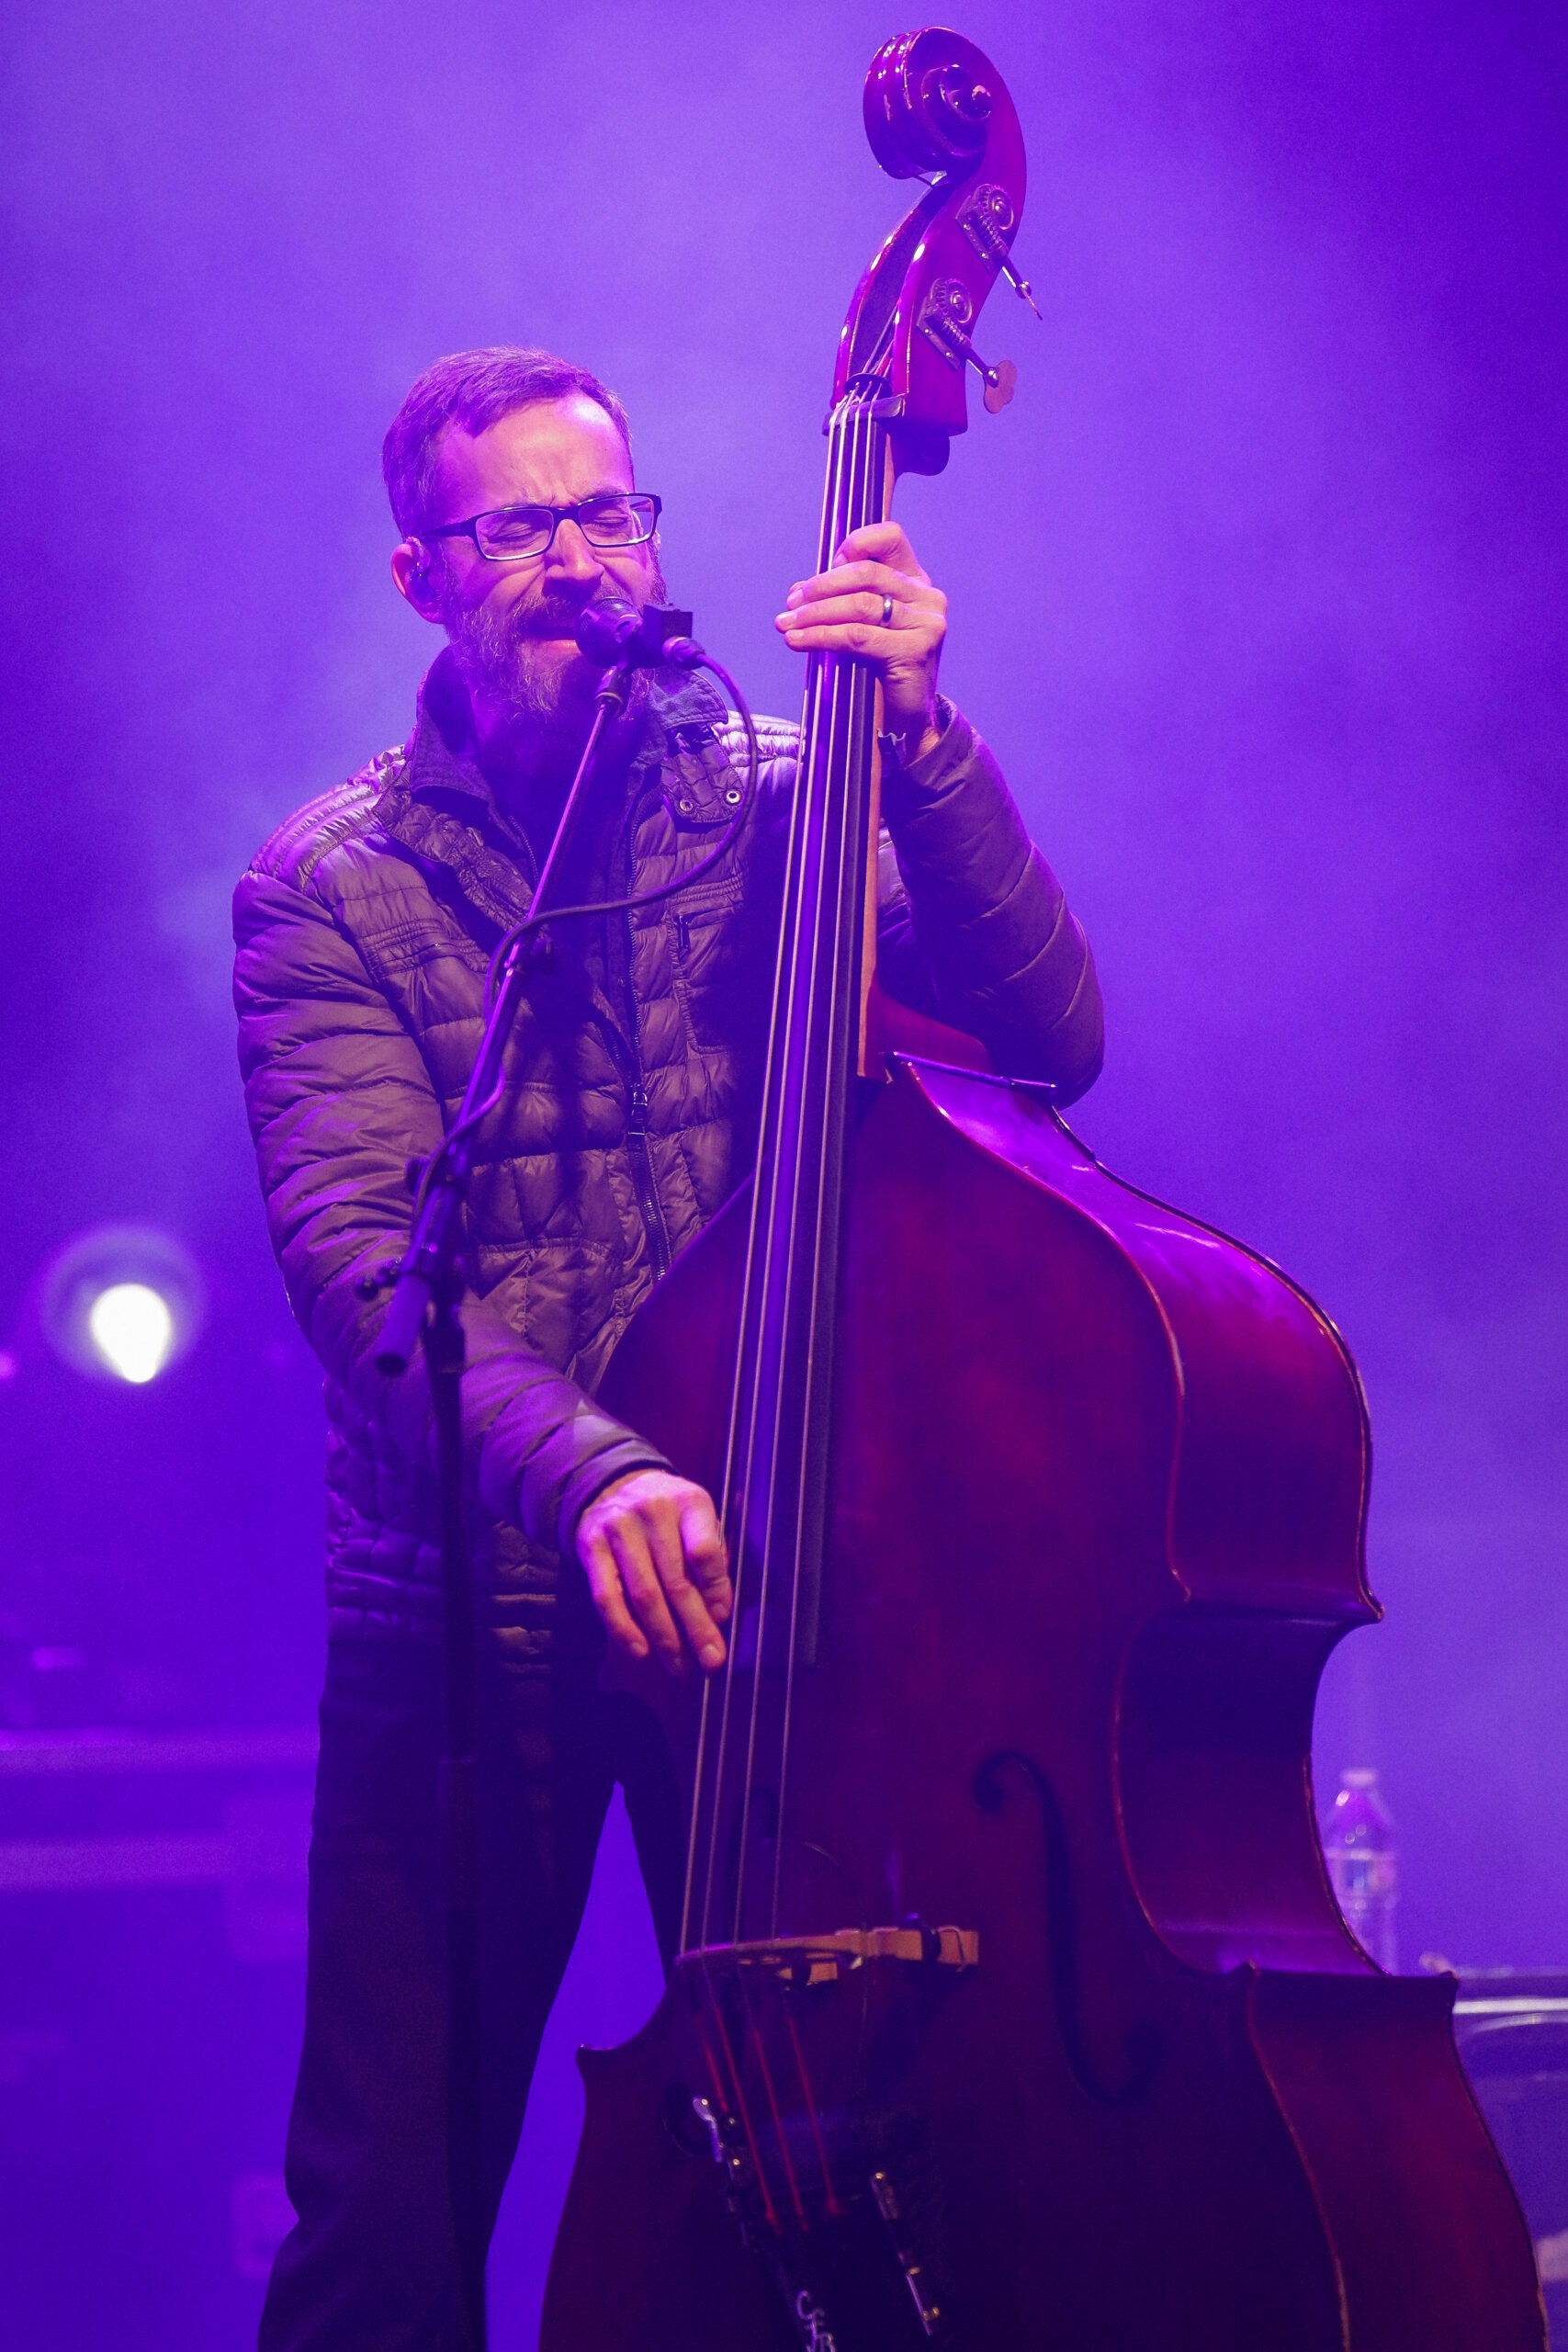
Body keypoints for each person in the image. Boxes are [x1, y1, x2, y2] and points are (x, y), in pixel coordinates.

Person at [233, 345, 1103, 2349]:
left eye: (604, 514)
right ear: (421, 577)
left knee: (860, 2169)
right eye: (515, 526)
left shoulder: (802, 797)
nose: (574, 563)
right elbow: (366, 1271)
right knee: (385, 2215)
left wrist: (929, 741)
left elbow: (1050, 1033)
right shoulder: (332, 882)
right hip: (473, 1631)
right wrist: (600, 1460)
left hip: (775, 1604)